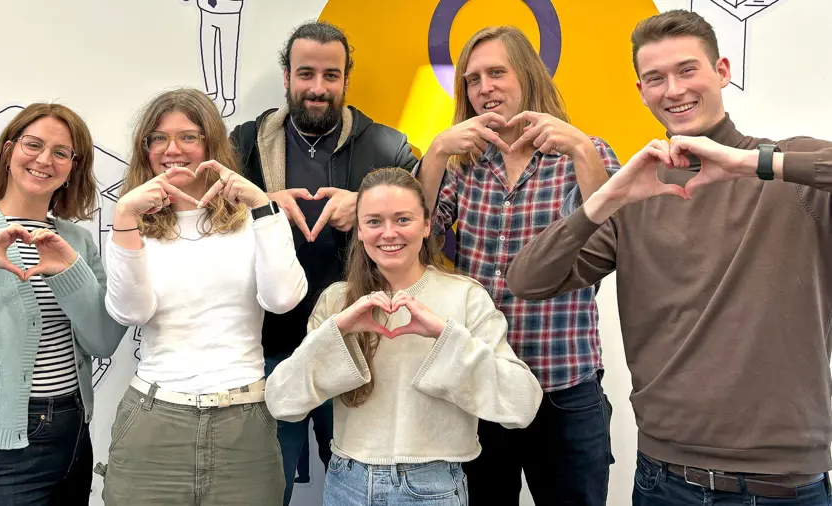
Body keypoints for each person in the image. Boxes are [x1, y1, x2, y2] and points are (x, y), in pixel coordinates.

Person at [506, 9, 832, 506]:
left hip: (785, 487)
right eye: (655, 78)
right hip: (666, 481)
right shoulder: (637, 197)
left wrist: (750, 163)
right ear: (641, 91)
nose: (673, 89)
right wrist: (604, 199)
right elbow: (527, 280)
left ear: (722, 71)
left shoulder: (791, 173)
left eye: (687, 70)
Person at [412, 25, 620, 505]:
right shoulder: (461, 164)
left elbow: (615, 242)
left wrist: (585, 152)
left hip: (565, 384)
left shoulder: (583, 153)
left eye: (496, 73)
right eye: (472, 79)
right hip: (482, 379)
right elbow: (421, 239)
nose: (484, 87)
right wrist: (439, 150)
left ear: (526, 75)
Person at [265, 166, 542, 506]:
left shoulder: (466, 297)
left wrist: (446, 336)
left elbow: (522, 404)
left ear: (427, 225)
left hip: (435, 486)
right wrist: (336, 332)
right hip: (346, 483)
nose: (389, 233)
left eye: (403, 219)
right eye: (374, 221)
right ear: (360, 231)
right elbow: (282, 402)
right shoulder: (337, 301)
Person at [231, 20, 418, 504]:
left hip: (360, 350)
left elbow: (421, 224)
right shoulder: (246, 142)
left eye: (330, 76)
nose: (318, 88)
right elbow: (210, 222)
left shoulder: (387, 147)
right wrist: (263, 202)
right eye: (306, 74)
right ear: (287, 77)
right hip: (271, 350)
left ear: (346, 80)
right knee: (270, 488)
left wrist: (367, 205)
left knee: (360, 488)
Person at [98, 88, 308, 506]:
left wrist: (263, 205)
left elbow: (283, 299)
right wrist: (124, 217)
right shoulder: (131, 222)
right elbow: (130, 311)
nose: (172, 149)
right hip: (154, 420)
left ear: (211, 145)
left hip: (244, 422)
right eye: (158, 138)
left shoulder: (253, 220)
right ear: (146, 149)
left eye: (188, 137)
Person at [0, 103, 126, 504]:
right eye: (33, 144)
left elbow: (104, 340)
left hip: (73, 437)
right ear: (8, 150)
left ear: (74, 166)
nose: (44, 159)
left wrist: (67, 273)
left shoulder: (78, 242)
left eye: (61, 152)